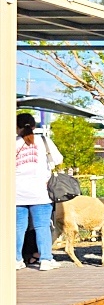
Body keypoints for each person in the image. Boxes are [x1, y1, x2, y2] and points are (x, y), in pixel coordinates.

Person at [15, 113, 62, 271]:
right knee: (42, 226)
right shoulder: (43, 141)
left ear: (17, 127)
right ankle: (45, 260)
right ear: (34, 126)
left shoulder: (12, 143)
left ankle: (16, 259)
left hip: (17, 193)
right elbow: (58, 160)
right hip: (40, 192)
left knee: (18, 227)